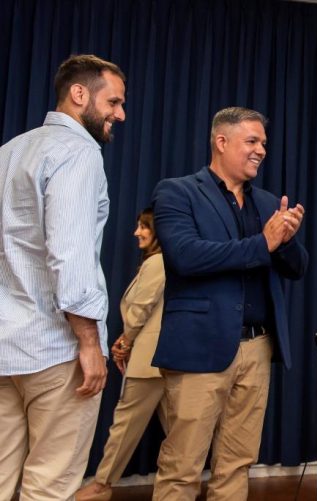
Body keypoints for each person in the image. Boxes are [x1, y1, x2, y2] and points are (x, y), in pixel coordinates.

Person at [150, 107, 308, 500]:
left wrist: (286, 240)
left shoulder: (268, 202)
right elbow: (186, 256)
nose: (261, 151)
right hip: (199, 347)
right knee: (182, 467)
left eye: (264, 143)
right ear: (221, 142)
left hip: (257, 348)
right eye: (252, 141)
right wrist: (264, 243)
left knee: (237, 464)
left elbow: (297, 268)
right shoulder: (177, 192)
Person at [0, 54, 126, 500]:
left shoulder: (10, 151)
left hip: (5, 346)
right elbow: (69, 254)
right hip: (56, 349)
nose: (120, 114)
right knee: (50, 489)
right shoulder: (79, 152)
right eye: (113, 102)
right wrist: (89, 343)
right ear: (78, 94)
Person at [75, 208, 167, 501]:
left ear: (158, 232)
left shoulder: (157, 262)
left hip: (149, 361)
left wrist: (126, 342)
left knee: (125, 425)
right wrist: (126, 340)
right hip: (162, 359)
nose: (137, 232)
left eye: (144, 227)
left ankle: (101, 485)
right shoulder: (161, 261)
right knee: (180, 431)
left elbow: (141, 309)